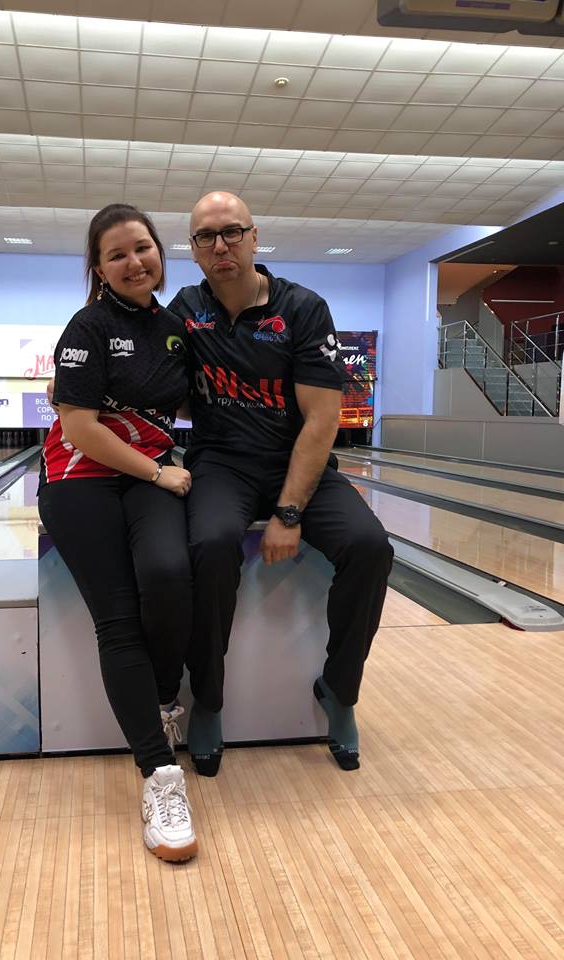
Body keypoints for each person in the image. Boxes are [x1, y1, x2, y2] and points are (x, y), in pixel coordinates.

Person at [168, 191, 394, 776]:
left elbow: (322, 419)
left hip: (297, 461)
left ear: (254, 237)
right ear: (193, 250)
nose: (221, 245)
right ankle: (208, 700)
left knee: (371, 547)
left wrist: (289, 513)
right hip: (222, 463)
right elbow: (151, 375)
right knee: (211, 544)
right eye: (206, 237)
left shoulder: (303, 309)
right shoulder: (185, 309)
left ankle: (340, 691)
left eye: (232, 232)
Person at [38, 203, 197, 862]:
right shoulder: (89, 326)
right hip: (80, 476)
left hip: (146, 475)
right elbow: (79, 428)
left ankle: (161, 697)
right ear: (99, 269)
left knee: (169, 574)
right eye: (117, 255)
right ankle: (160, 774)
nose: (134, 262)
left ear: (159, 251)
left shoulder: (176, 328)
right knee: (119, 620)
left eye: (143, 248)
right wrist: (159, 474)